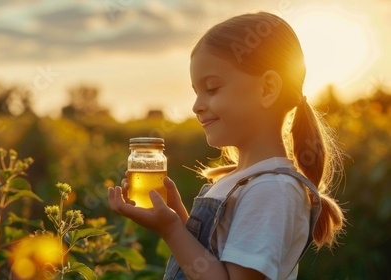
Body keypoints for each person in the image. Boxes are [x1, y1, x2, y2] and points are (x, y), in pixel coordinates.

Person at [108, 11, 345, 280]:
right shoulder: (239, 181)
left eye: (212, 89)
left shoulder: (270, 190)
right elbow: (211, 260)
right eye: (196, 92)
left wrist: (171, 229)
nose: (196, 106)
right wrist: (178, 218)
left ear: (267, 88)